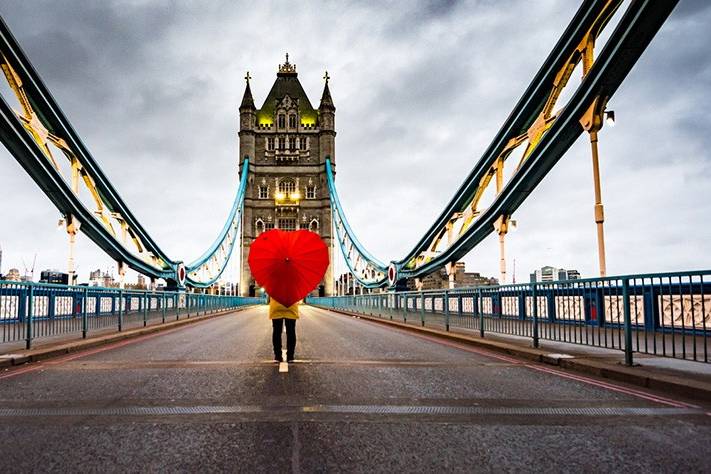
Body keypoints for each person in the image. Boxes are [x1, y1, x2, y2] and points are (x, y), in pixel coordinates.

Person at [268, 296, 299, 362]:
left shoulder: (274, 284)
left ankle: (278, 356)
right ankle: (290, 356)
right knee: (291, 332)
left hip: (276, 306)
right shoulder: (293, 285)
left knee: (276, 332)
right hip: (291, 306)